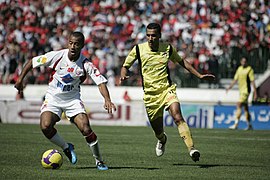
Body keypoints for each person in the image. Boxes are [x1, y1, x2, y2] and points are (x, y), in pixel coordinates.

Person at [14, 31, 116, 170]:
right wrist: (20, 80)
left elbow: (100, 82)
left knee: (86, 128)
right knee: (45, 126)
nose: (73, 46)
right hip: (53, 98)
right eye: (71, 43)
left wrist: (107, 99)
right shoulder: (57, 56)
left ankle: (99, 161)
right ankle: (66, 147)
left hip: (73, 100)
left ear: (82, 46)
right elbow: (32, 62)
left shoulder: (86, 64)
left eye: (77, 44)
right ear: (68, 43)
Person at [119, 23, 215, 162]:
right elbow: (125, 65)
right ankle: (162, 139)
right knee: (158, 131)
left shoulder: (168, 48)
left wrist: (199, 75)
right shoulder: (139, 49)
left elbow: (182, 62)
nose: (150, 38)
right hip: (151, 96)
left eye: (153, 35)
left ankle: (192, 148)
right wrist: (123, 74)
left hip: (167, 90)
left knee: (177, 116)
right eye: (148, 35)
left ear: (159, 36)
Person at [226, 57, 257, 130]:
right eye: (243, 61)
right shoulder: (239, 69)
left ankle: (236, 124)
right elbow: (235, 79)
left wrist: (255, 92)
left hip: (246, 91)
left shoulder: (249, 69)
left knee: (239, 104)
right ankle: (249, 125)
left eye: (245, 61)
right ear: (241, 62)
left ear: (247, 62)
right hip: (241, 91)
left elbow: (252, 81)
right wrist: (229, 87)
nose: (244, 63)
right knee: (246, 108)